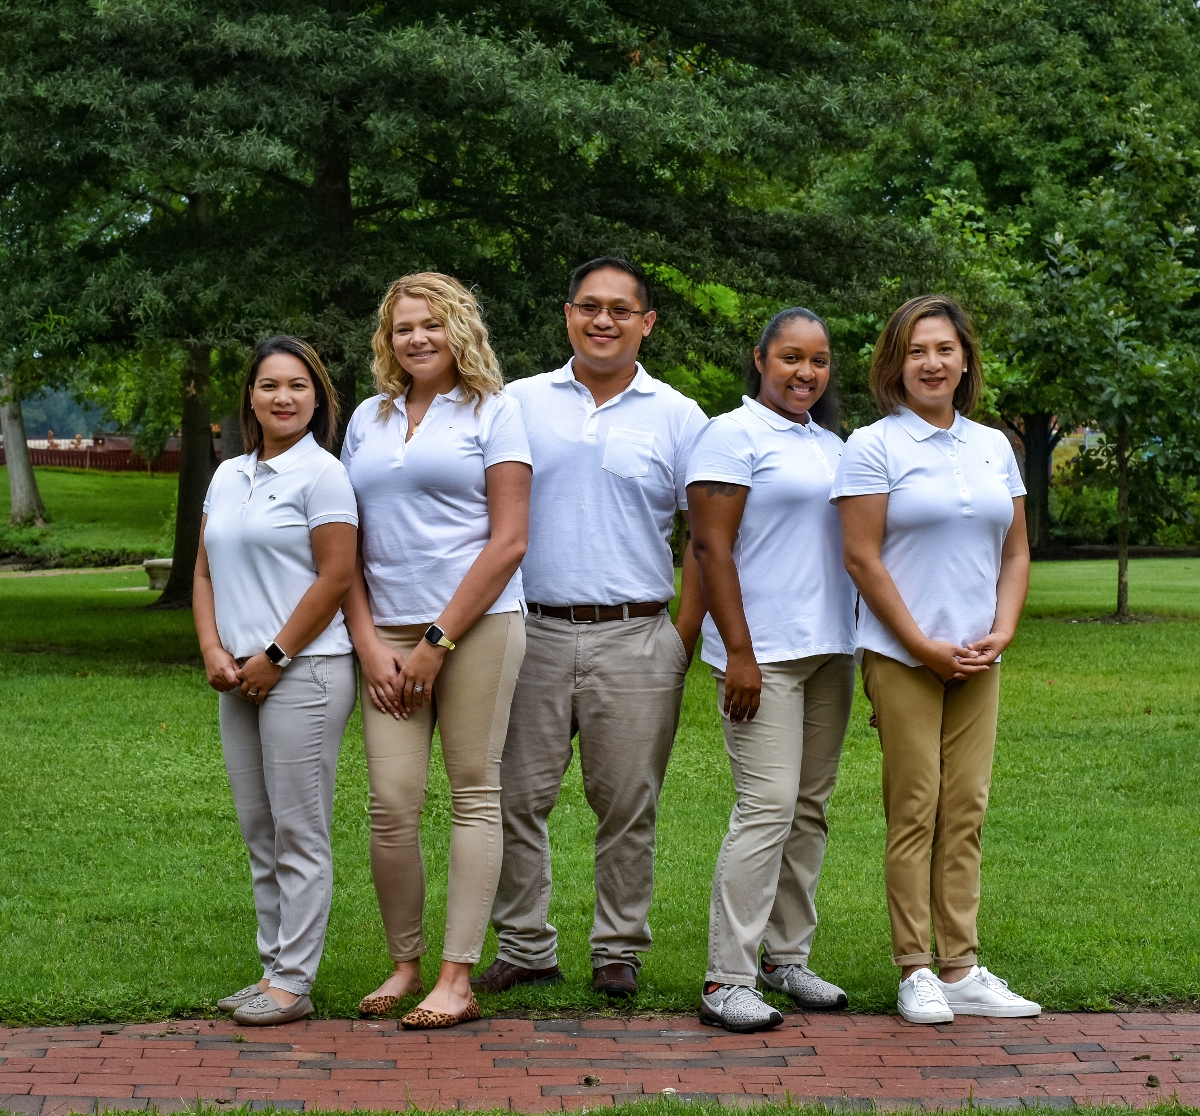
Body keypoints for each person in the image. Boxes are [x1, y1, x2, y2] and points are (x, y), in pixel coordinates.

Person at [474, 256, 709, 1000]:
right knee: (516, 797)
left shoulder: (678, 415)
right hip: (529, 628)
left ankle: (618, 948)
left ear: (647, 323)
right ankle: (525, 943)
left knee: (628, 804)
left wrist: (684, 631)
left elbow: (706, 538)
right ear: (566, 314)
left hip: (637, 634)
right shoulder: (514, 403)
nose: (602, 320)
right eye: (588, 306)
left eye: (619, 309)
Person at [831, 294, 1040, 1024]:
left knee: (967, 809)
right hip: (901, 654)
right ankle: (915, 967)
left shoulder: (992, 446)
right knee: (915, 807)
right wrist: (921, 645)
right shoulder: (871, 444)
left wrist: (1003, 630)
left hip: (979, 656)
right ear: (897, 362)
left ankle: (962, 967)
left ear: (964, 360)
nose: (932, 362)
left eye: (944, 349)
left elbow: (1015, 550)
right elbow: (860, 556)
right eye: (917, 350)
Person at [341, 272, 532, 1029]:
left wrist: (437, 640)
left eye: (431, 324)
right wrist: (368, 641)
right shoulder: (368, 417)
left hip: (476, 625)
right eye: (401, 328)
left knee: (473, 794)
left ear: (460, 329)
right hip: (384, 632)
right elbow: (344, 542)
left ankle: (456, 977)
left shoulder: (495, 411)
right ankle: (405, 963)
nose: (416, 338)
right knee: (390, 804)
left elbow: (509, 539)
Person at [687, 308, 857, 1033]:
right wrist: (742, 653)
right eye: (791, 358)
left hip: (830, 651)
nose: (806, 373)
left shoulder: (834, 445)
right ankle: (728, 978)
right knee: (766, 806)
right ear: (760, 358)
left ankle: (787, 960)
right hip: (764, 656)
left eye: (818, 361)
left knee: (810, 807)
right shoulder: (732, 434)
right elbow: (709, 549)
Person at [194, 335, 359, 1026]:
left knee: (299, 831)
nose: (282, 397)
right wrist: (213, 649)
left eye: (297, 385)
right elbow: (203, 571)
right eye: (269, 385)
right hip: (236, 677)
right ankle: (271, 970)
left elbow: (337, 576)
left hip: (307, 672)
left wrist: (275, 655)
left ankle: (294, 980)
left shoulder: (323, 476)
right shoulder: (228, 473)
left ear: (317, 398)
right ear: (250, 398)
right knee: (259, 829)